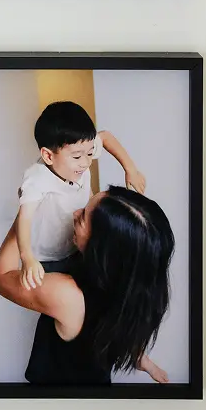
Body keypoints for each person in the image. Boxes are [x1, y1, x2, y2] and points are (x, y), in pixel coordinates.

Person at [0, 186, 174, 385]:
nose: (75, 213)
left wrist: (26, 214)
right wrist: (142, 359)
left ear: (100, 247)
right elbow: (118, 327)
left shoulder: (65, 294)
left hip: (59, 400)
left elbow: (1, 277)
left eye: (82, 218)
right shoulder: (132, 283)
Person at [15, 101, 146, 290]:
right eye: (77, 157)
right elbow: (25, 218)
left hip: (78, 245)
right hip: (48, 258)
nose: (86, 162)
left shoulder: (81, 149)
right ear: (49, 156)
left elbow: (106, 137)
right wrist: (27, 257)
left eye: (90, 153)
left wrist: (130, 169)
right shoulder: (37, 179)